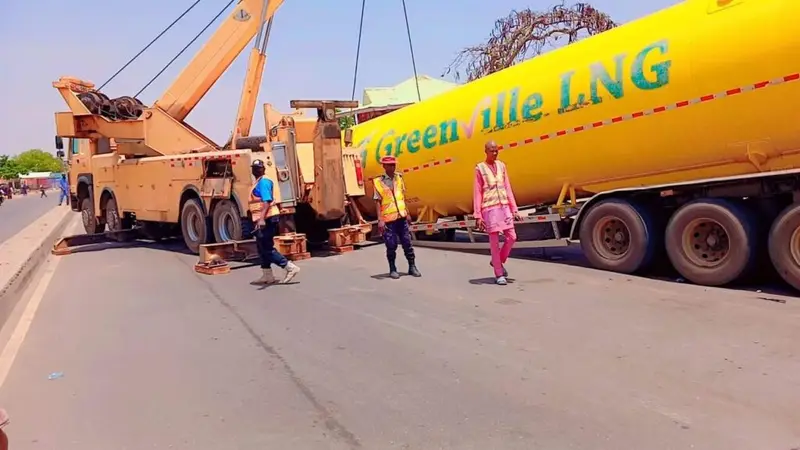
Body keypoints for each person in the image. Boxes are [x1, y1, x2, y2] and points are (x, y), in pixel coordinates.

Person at [473, 140, 521, 285]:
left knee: (512, 237)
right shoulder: (479, 169)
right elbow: (477, 192)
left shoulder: (502, 166)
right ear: (485, 151)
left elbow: (507, 188)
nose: (494, 153)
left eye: (496, 150)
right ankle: (499, 273)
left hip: (504, 207)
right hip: (489, 209)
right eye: (491, 150)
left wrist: (514, 209)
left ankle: (498, 261)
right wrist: (478, 215)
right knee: (494, 242)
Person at [249, 159, 301, 285]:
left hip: (267, 219)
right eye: (254, 168)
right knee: (261, 247)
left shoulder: (264, 182)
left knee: (266, 247)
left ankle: (289, 267)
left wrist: (261, 219)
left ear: (263, 169)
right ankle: (267, 275)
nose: (256, 170)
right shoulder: (258, 182)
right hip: (262, 218)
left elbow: (267, 201)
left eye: (258, 168)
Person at [374, 155, 421, 279]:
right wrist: (380, 219)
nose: (393, 167)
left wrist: (407, 213)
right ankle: (393, 268)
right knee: (391, 245)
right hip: (388, 220)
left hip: (401, 217)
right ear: (384, 166)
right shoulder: (378, 182)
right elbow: (377, 201)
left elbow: (401, 197)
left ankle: (412, 267)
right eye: (390, 165)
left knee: (407, 243)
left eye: (394, 164)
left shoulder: (399, 178)